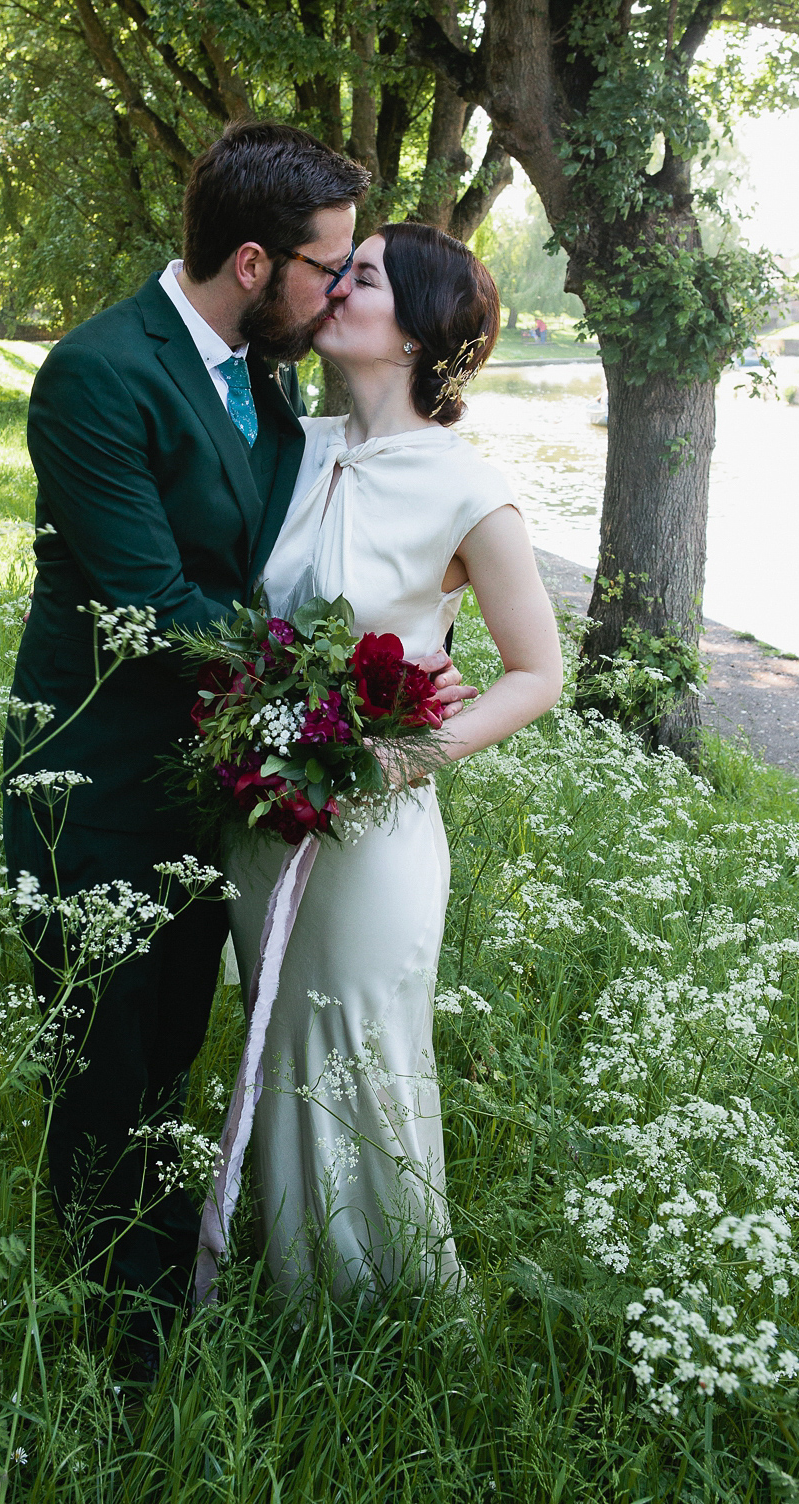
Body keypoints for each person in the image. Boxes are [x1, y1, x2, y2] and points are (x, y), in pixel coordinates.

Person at [2, 124, 470, 1354]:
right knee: (103, 1075)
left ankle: (181, 1289)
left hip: (222, 795)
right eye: (332, 267)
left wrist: (408, 654)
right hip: (91, 786)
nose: (338, 290)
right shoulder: (101, 372)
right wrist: (346, 691)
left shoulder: (259, 385)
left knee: (170, 1058)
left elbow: (326, 550)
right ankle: (117, 1354)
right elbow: (155, 606)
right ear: (258, 264)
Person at [226, 222, 563, 1301]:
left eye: (360, 276)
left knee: (360, 1043)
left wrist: (402, 753)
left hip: (374, 827)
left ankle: (390, 1303)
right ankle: (288, 1281)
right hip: (256, 809)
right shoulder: (286, 444)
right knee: (274, 1034)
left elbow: (536, 672)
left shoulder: (468, 489)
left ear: (416, 332)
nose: (331, 287)